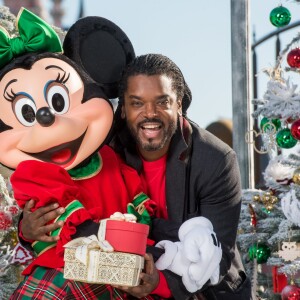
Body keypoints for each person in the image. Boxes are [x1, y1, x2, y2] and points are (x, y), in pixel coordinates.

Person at [20, 54, 253, 299]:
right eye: (137, 103)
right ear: (123, 109)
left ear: (179, 105)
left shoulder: (215, 160)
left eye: (162, 102)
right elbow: (62, 197)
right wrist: (28, 229)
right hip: (118, 275)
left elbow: (216, 254)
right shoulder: (103, 148)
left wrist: (158, 282)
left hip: (199, 289)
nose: (150, 114)